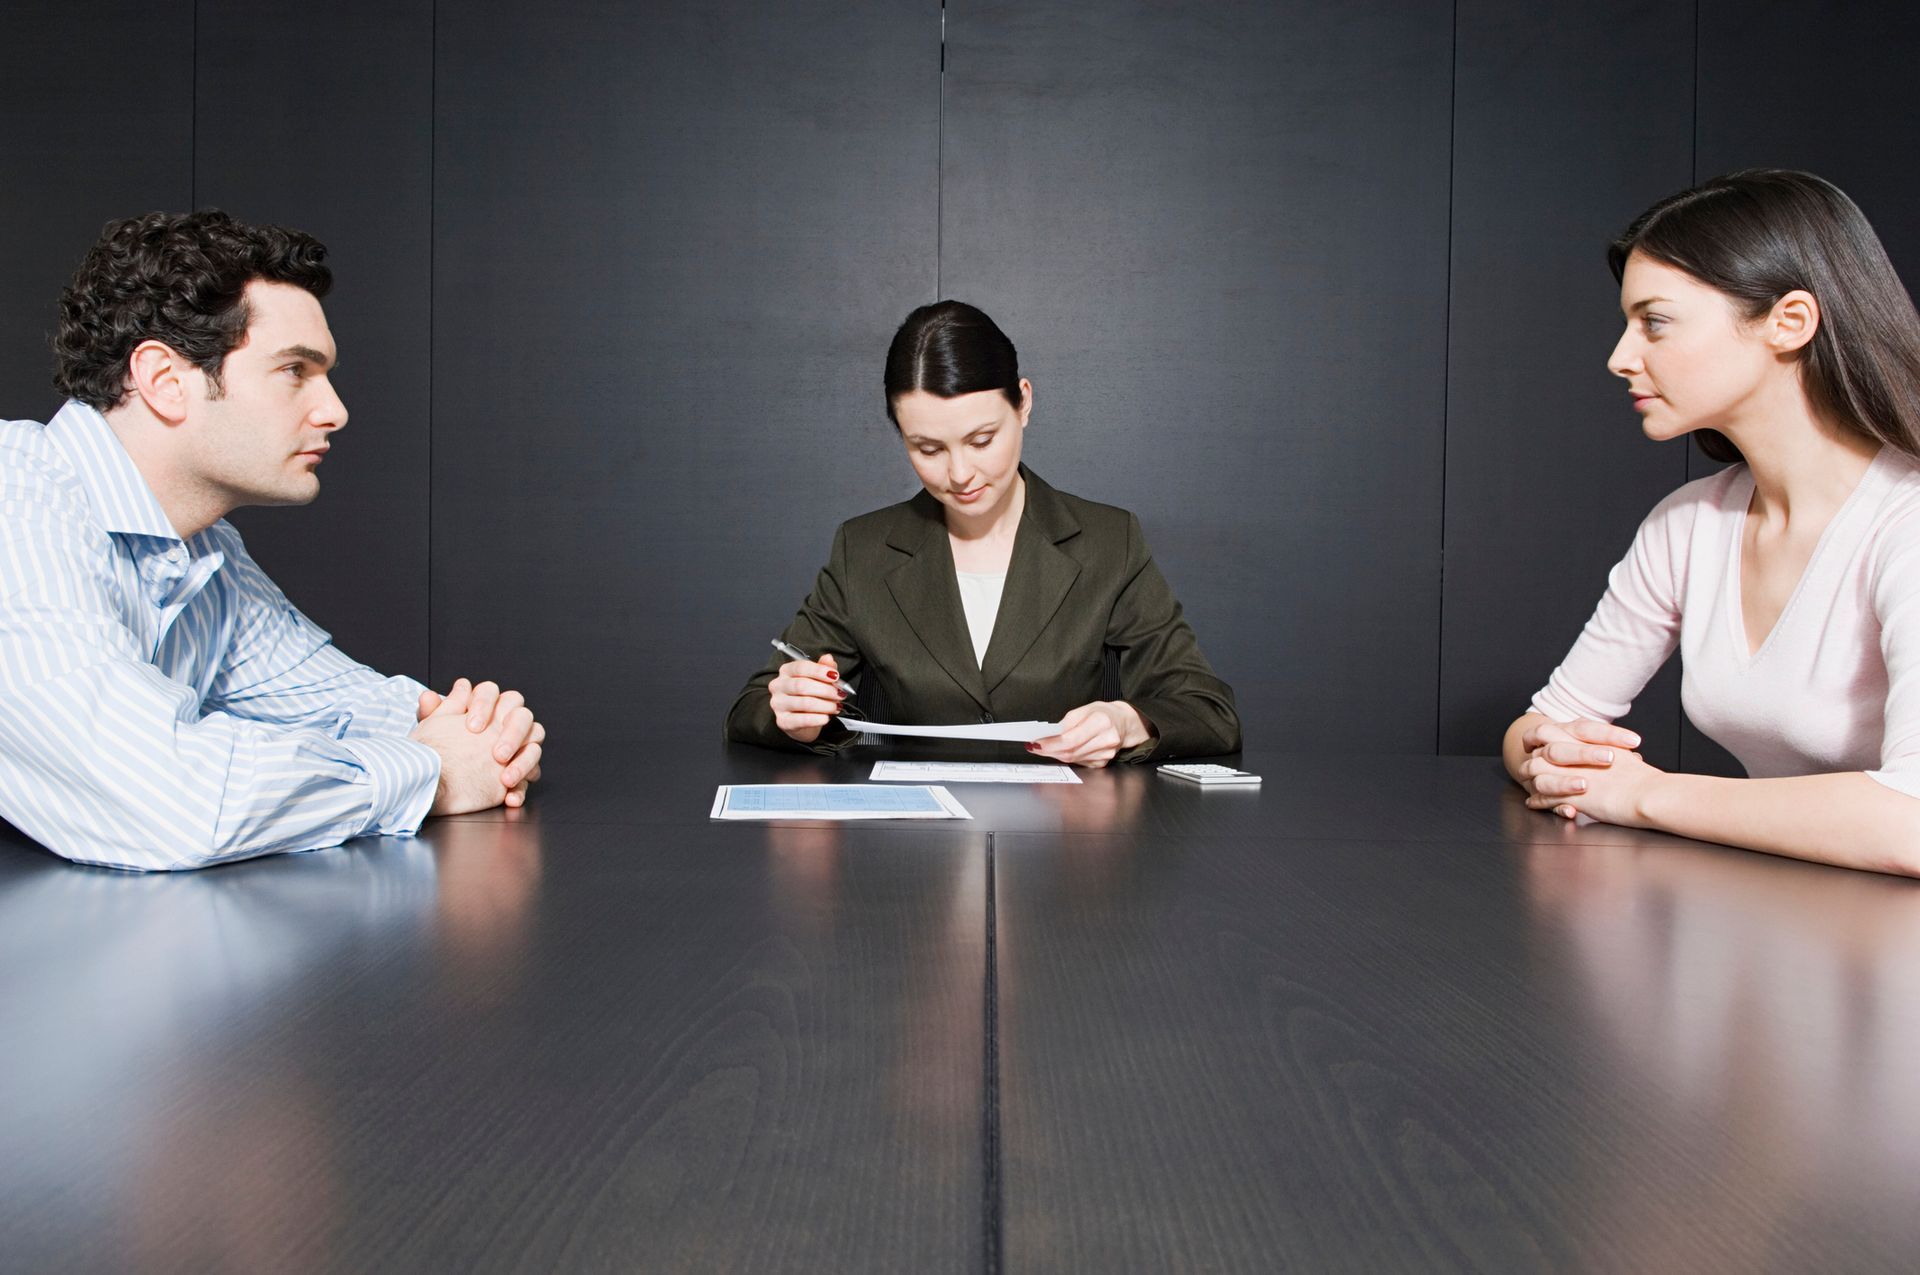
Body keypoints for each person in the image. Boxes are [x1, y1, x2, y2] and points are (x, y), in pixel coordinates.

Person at [0, 210, 545, 872]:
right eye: (295, 370)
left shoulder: (204, 551)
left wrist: (480, 737)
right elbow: (170, 801)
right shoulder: (19, 508)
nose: (335, 411)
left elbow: (345, 703)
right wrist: (430, 770)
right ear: (166, 381)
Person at [1504, 170, 1920, 875]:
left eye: (1655, 322)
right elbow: (1542, 723)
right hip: (1789, 925)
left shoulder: (1904, 526)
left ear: (1789, 321)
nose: (1619, 358)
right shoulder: (1689, 524)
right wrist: (1555, 752)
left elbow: (1911, 824)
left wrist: (1645, 797)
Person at [726, 300, 1239, 766]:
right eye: (928, 449)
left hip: (1070, 845)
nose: (960, 473)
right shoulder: (863, 550)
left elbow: (1208, 713)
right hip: (910, 851)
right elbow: (750, 708)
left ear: (1024, 403)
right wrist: (794, 711)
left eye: (981, 439)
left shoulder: (1109, 541)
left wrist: (1130, 722)